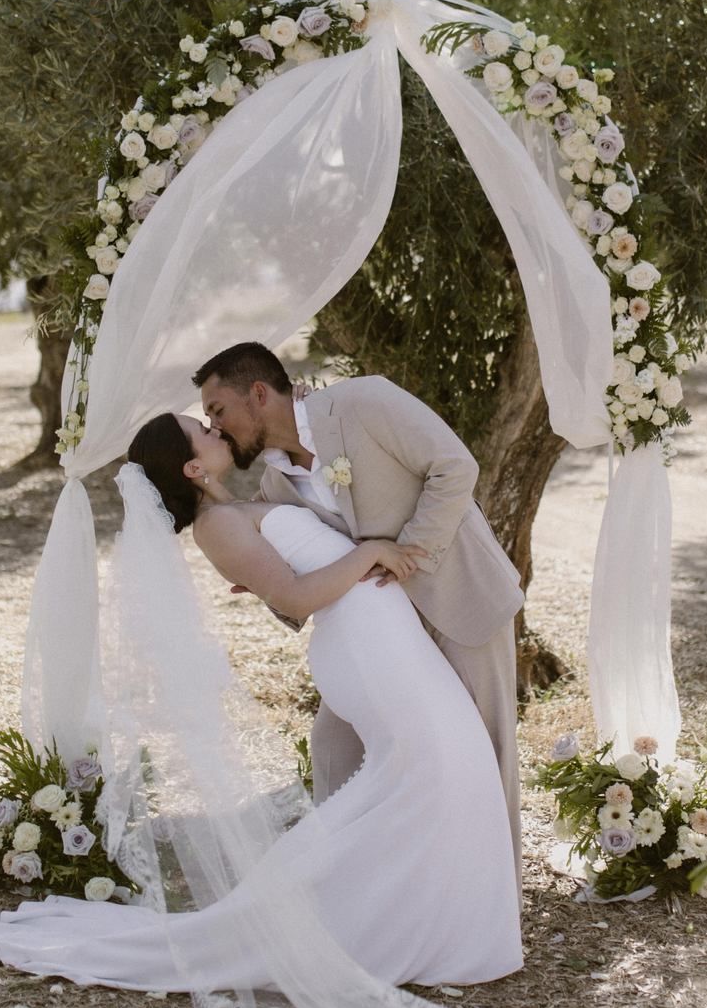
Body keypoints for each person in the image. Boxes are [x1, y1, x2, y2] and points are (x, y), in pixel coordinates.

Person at [0, 413, 707, 1008]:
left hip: (382, 637)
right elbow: (296, 594)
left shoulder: (246, 501)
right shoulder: (216, 528)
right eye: (201, 431)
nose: (213, 428)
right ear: (191, 471)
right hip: (364, 648)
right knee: (441, 765)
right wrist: (366, 553)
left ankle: (388, 923)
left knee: (428, 779)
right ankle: (354, 930)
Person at [194, 342, 525, 876]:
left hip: (460, 596)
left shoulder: (363, 402)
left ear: (258, 394)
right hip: (382, 635)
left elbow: (454, 467)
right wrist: (264, 585)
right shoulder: (274, 484)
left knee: (485, 749)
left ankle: (497, 900)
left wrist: (408, 557)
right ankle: (357, 887)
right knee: (334, 747)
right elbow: (304, 580)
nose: (216, 427)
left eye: (217, 411)